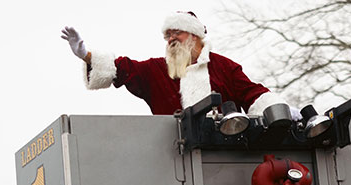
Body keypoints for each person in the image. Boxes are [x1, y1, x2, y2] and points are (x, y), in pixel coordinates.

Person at [60, 12, 298, 118]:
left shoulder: (225, 67)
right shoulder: (156, 70)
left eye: (177, 33)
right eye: (167, 35)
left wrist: (281, 110)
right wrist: (86, 55)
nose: (171, 39)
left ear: (194, 36)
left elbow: (253, 94)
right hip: (172, 161)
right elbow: (123, 69)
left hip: (225, 156)